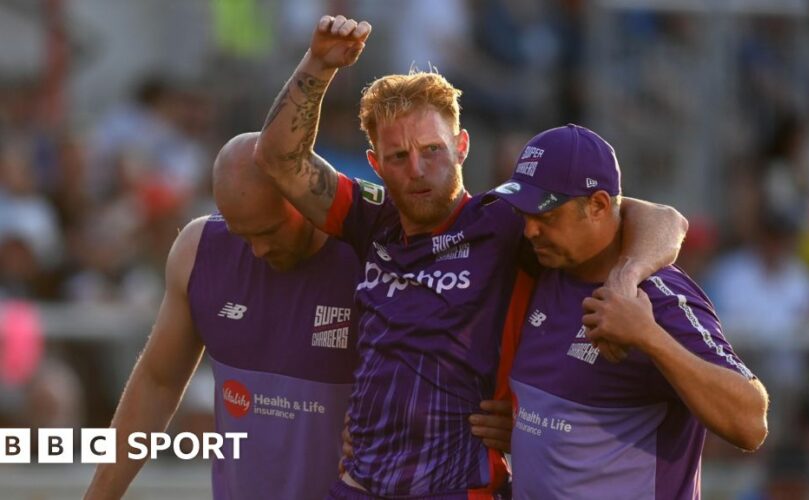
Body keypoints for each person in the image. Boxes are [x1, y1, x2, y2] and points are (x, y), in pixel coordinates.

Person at [255, 15, 689, 499]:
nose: (417, 169)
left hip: (460, 486)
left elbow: (664, 218)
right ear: (376, 163)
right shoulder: (370, 218)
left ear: (462, 147)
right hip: (359, 483)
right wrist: (319, 63)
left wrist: (626, 278)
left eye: (432, 150)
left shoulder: (505, 222)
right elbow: (277, 159)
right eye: (397, 157)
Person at [489, 124, 769, 499]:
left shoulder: (658, 299)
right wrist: (528, 434)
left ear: (599, 206)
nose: (529, 231)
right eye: (524, 213)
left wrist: (648, 336)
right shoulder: (544, 267)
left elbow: (752, 421)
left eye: (546, 215)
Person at [84, 133, 362, 499]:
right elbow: (157, 383)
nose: (258, 249)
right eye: (242, 235)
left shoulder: (371, 257)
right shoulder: (198, 252)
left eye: (268, 231)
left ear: (303, 197)